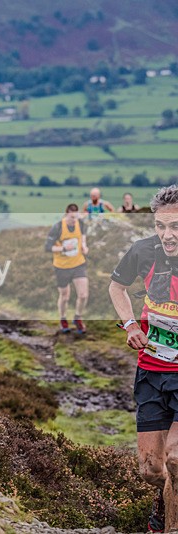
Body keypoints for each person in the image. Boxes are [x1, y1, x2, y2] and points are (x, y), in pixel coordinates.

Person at [109, 184, 178, 533]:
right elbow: (116, 287)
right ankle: (163, 500)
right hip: (152, 368)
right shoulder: (143, 251)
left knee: (176, 460)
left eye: (175, 227)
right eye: (161, 226)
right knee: (152, 469)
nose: (167, 235)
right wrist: (130, 324)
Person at [45, 203, 89, 334]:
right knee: (65, 296)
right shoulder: (57, 227)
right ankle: (63, 318)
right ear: (66, 215)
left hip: (78, 264)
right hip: (62, 267)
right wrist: (63, 248)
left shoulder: (81, 224)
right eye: (71, 218)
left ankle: (78, 317)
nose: (73, 220)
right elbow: (48, 247)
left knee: (83, 295)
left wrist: (84, 247)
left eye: (75, 218)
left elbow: (83, 239)